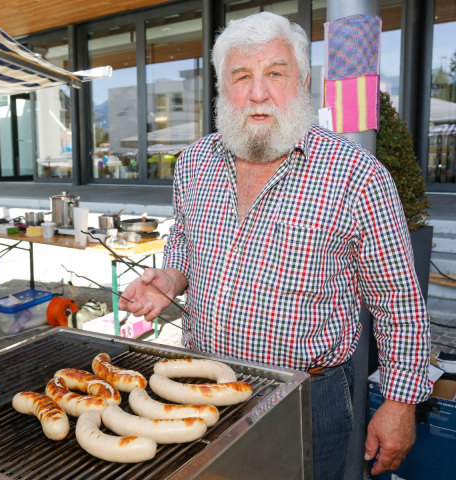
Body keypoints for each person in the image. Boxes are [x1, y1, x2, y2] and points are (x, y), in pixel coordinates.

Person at [119, 12, 430, 480]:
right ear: (223, 87)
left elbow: (399, 303)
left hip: (307, 397)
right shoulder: (194, 163)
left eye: (276, 74)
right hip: (198, 382)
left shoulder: (357, 176)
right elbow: (184, 244)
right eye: (242, 76)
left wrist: (400, 404)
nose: (259, 93)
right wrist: (170, 278)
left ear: (304, 80)